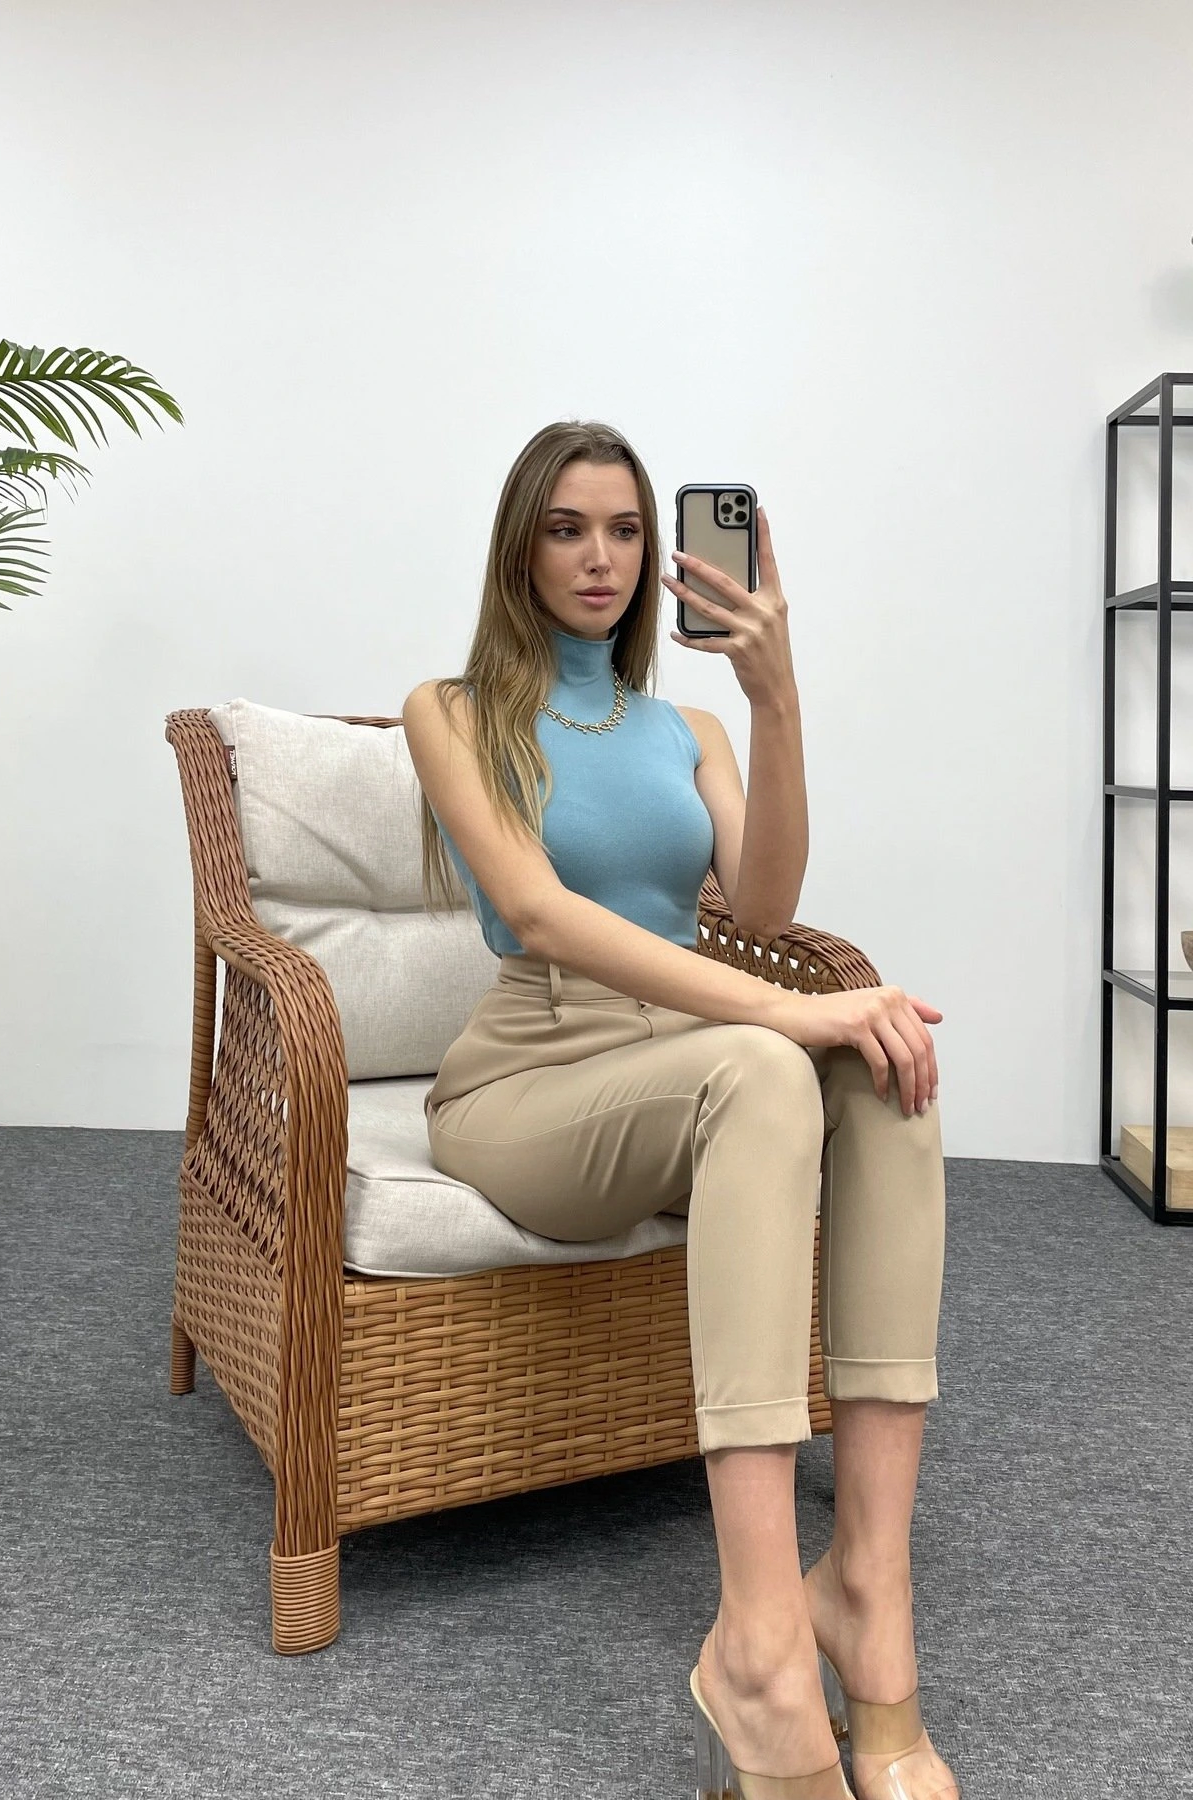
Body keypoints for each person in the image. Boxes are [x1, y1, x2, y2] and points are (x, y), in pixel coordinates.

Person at [401, 420, 960, 1800]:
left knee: (885, 1064)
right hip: (531, 1077)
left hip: (691, 1064)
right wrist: (778, 1012)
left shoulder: (685, 727)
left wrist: (776, 700)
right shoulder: (451, 712)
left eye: (624, 530)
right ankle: (760, 1649)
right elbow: (538, 913)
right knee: (773, 1056)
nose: (598, 557)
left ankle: (865, 1592)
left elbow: (761, 908)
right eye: (565, 528)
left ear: (659, 555)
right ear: (520, 548)